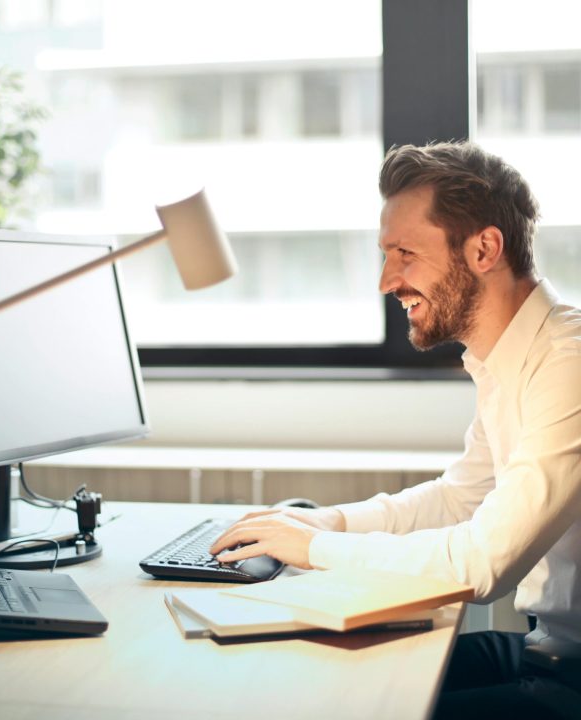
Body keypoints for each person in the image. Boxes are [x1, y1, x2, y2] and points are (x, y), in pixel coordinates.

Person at [210, 141, 581, 719]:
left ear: (485, 248)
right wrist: (328, 521)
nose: (387, 280)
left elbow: (483, 562)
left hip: (571, 680)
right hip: (544, 654)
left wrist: (314, 549)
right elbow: (461, 499)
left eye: (405, 253)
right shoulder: (505, 361)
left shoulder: (568, 363)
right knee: (320, 682)